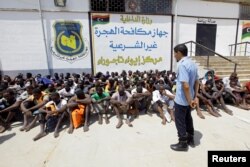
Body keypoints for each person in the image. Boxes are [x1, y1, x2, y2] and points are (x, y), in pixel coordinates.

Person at [170, 44, 199, 151]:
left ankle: (183, 143)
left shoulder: (182, 65)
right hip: (189, 98)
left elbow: (185, 85)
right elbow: (197, 82)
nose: (174, 56)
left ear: (179, 53)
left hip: (182, 99)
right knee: (188, 118)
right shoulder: (193, 63)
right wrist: (194, 97)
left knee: (180, 121)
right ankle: (191, 138)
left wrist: (189, 100)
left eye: (174, 53)